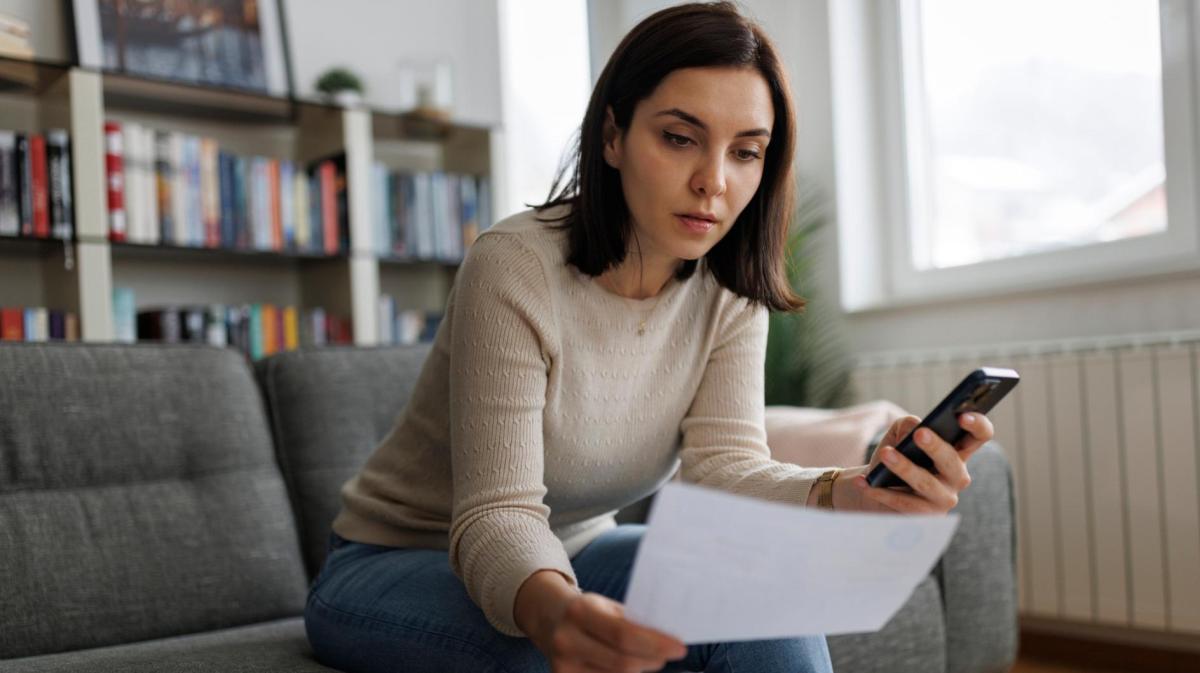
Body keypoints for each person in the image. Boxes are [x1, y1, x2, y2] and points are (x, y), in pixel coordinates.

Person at [304, 3, 995, 672]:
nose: (713, 182)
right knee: (541, 649)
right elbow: (497, 513)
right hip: (392, 562)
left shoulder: (728, 291)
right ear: (613, 136)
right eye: (679, 138)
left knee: (761, 598)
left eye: (745, 152)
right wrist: (559, 614)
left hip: (579, 550)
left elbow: (725, 466)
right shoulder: (515, 267)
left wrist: (852, 489)